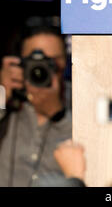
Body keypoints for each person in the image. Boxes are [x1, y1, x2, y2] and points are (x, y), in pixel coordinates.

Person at [0, 19, 72, 187]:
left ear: (65, 62)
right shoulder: (10, 98)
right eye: (33, 60)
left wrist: (58, 114)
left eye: (52, 61)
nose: (41, 68)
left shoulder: (79, 98)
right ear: (19, 62)